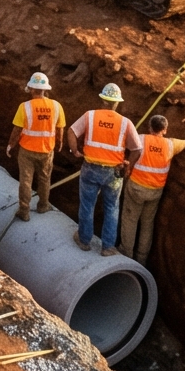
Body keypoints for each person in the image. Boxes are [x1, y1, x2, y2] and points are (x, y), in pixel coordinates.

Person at [119, 114, 185, 264]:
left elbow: (121, 140)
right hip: (155, 192)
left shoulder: (141, 138)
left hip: (136, 188)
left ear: (150, 127)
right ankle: (141, 260)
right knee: (147, 224)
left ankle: (125, 255)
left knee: (130, 220)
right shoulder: (171, 144)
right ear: (165, 130)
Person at [69, 83, 139, 256]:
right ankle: (107, 247)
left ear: (103, 100)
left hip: (90, 169)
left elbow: (71, 131)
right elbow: (137, 149)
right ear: (117, 103)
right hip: (114, 173)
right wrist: (128, 166)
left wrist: (76, 150)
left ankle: (84, 240)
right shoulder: (125, 123)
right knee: (111, 208)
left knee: (87, 205)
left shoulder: (90, 116)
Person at [6, 72, 65, 218]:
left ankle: (24, 211)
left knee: (26, 181)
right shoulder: (56, 106)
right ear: (45, 89)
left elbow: (17, 130)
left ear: (32, 88)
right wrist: (59, 143)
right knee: (44, 179)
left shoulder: (25, 107)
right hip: (47, 151)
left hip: (27, 150)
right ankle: (43, 206)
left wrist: (10, 145)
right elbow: (60, 128)